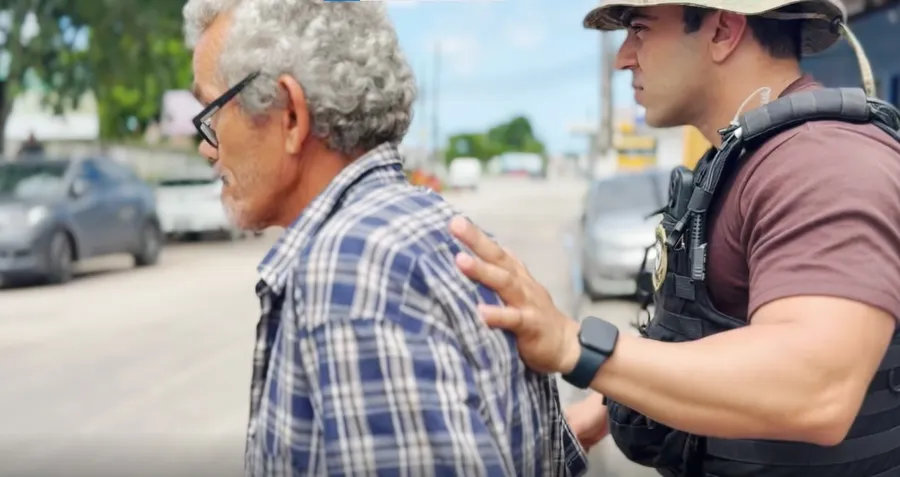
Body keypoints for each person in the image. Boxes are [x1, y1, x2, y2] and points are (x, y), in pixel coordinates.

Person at [449, 1, 900, 476]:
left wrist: (574, 346)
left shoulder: (823, 162)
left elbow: (815, 389)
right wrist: (600, 411)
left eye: (640, 30)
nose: (623, 58)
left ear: (723, 31)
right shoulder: (748, 158)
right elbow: (710, 335)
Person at [181, 0, 588, 475]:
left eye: (212, 113)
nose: (207, 147)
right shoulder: (435, 227)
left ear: (290, 115)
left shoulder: (351, 270)